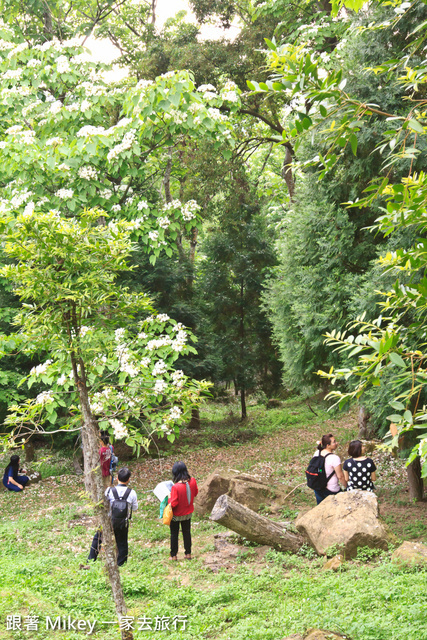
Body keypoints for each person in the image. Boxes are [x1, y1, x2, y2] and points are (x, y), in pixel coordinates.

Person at [88, 467, 138, 567]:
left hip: (108, 520)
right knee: (122, 542)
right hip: (123, 522)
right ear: (128, 479)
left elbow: (103, 504)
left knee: (98, 538)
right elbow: (135, 508)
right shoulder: (132, 493)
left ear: (117, 478)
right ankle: (121, 564)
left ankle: (91, 560)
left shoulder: (109, 491)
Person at [168, 461, 198, 561]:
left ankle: (173, 555)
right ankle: (188, 553)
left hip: (177, 515)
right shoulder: (192, 481)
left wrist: (169, 498)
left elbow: (173, 503)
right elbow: (196, 492)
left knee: (174, 534)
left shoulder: (175, 487)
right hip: (188, 513)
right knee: (187, 532)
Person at [313, 434, 347, 504]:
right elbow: (340, 476)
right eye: (334, 442)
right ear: (328, 445)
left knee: (321, 508)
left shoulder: (317, 453)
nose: (336, 443)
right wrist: (347, 487)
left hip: (318, 487)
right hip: (332, 489)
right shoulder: (334, 458)